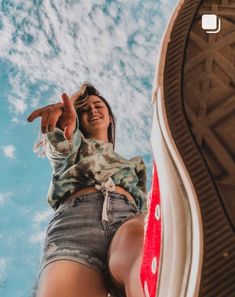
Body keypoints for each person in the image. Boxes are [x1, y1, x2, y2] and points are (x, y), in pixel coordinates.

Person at [27, 83, 148, 297]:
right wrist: (59, 129)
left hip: (126, 219)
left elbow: (144, 203)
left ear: (110, 117)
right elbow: (60, 149)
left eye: (98, 106)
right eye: (84, 109)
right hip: (75, 224)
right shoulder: (73, 147)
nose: (92, 110)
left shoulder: (134, 166)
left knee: (142, 248)